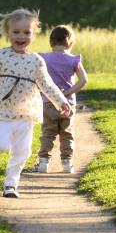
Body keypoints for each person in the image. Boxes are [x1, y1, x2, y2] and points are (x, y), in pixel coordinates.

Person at [0, 9, 71, 199]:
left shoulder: (37, 61)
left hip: (26, 113)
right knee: (1, 144)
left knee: (23, 151)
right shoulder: (1, 55)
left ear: (34, 34)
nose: (21, 36)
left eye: (26, 32)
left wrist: (61, 101)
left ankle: (11, 184)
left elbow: (47, 85)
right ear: (8, 33)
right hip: (2, 111)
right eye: (16, 32)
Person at [35, 25, 88, 174]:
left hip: (48, 102)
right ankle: (67, 163)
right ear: (70, 43)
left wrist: (45, 91)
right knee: (67, 133)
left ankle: (43, 162)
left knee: (48, 133)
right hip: (68, 104)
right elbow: (83, 80)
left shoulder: (43, 58)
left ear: (50, 42)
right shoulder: (73, 60)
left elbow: (36, 79)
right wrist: (67, 93)